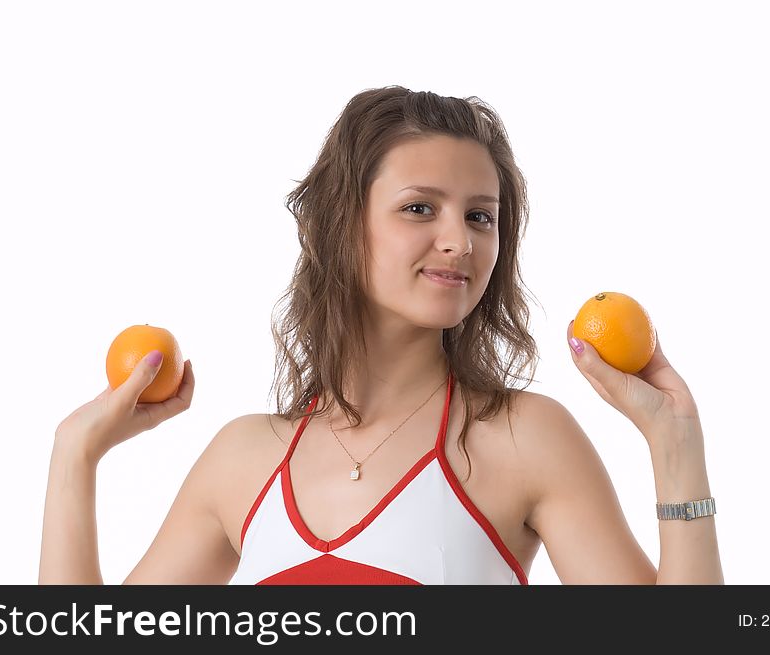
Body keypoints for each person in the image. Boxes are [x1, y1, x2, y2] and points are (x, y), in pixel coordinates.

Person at [40, 86, 724, 585]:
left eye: (481, 217)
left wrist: (675, 445)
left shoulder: (525, 439)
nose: (458, 240)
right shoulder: (243, 458)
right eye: (419, 208)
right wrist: (75, 454)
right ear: (338, 227)